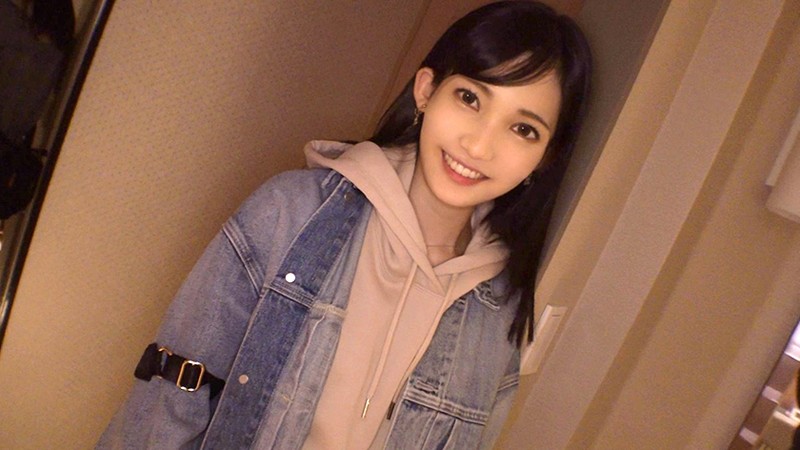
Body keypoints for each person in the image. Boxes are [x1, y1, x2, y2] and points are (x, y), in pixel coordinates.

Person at [98, 1, 592, 448]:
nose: (479, 145)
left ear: (545, 157)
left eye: (523, 129)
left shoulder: (500, 314)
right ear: (426, 91)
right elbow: (172, 392)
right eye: (470, 98)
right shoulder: (290, 211)